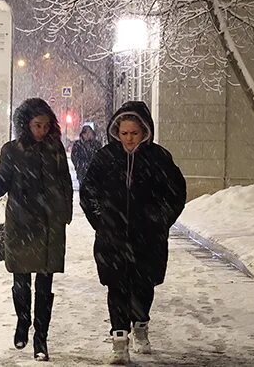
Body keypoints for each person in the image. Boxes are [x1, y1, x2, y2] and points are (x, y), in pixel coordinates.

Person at [0, 98, 73, 362]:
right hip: (21, 224)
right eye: (37, 125)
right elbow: (1, 184)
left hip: (50, 226)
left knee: (45, 284)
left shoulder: (56, 149)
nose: (42, 131)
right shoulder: (11, 151)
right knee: (21, 281)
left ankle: (41, 338)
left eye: (46, 126)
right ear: (26, 125)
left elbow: (66, 184)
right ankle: (23, 322)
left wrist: (64, 214)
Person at [79, 101, 187, 365]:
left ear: (145, 132)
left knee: (142, 287)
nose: (128, 139)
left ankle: (140, 324)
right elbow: (88, 191)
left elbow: (175, 194)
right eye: (124, 133)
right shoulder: (106, 157)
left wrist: (160, 221)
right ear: (117, 132)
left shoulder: (158, 157)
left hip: (147, 239)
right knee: (116, 287)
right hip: (112, 239)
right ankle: (119, 338)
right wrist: (102, 221)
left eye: (134, 133)